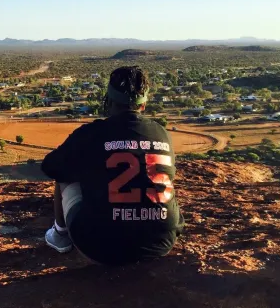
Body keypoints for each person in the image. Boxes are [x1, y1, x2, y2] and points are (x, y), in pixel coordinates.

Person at [41, 66, 184, 265]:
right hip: (160, 243)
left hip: (100, 247)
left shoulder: (91, 133)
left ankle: (60, 235)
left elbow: (50, 167)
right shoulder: (162, 133)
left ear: (109, 100)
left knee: (65, 172)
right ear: (143, 104)